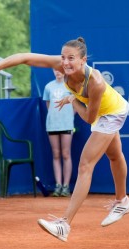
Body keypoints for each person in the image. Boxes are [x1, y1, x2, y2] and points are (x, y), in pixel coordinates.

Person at [0, 37, 129, 242]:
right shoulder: (62, 65)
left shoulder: (95, 82)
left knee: (86, 164)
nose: (65, 63)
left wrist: (73, 100)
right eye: (63, 57)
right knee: (114, 155)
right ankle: (123, 200)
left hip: (111, 113)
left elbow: (88, 118)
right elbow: (25, 58)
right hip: (106, 110)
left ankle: (64, 224)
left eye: (71, 58)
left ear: (83, 60)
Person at [43, 69, 75, 197]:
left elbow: (77, 104)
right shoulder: (48, 86)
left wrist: (69, 116)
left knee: (66, 154)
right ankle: (58, 185)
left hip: (67, 124)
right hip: (52, 125)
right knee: (56, 154)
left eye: (60, 70)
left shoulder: (71, 85)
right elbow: (48, 105)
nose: (58, 72)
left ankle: (66, 186)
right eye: (56, 69)